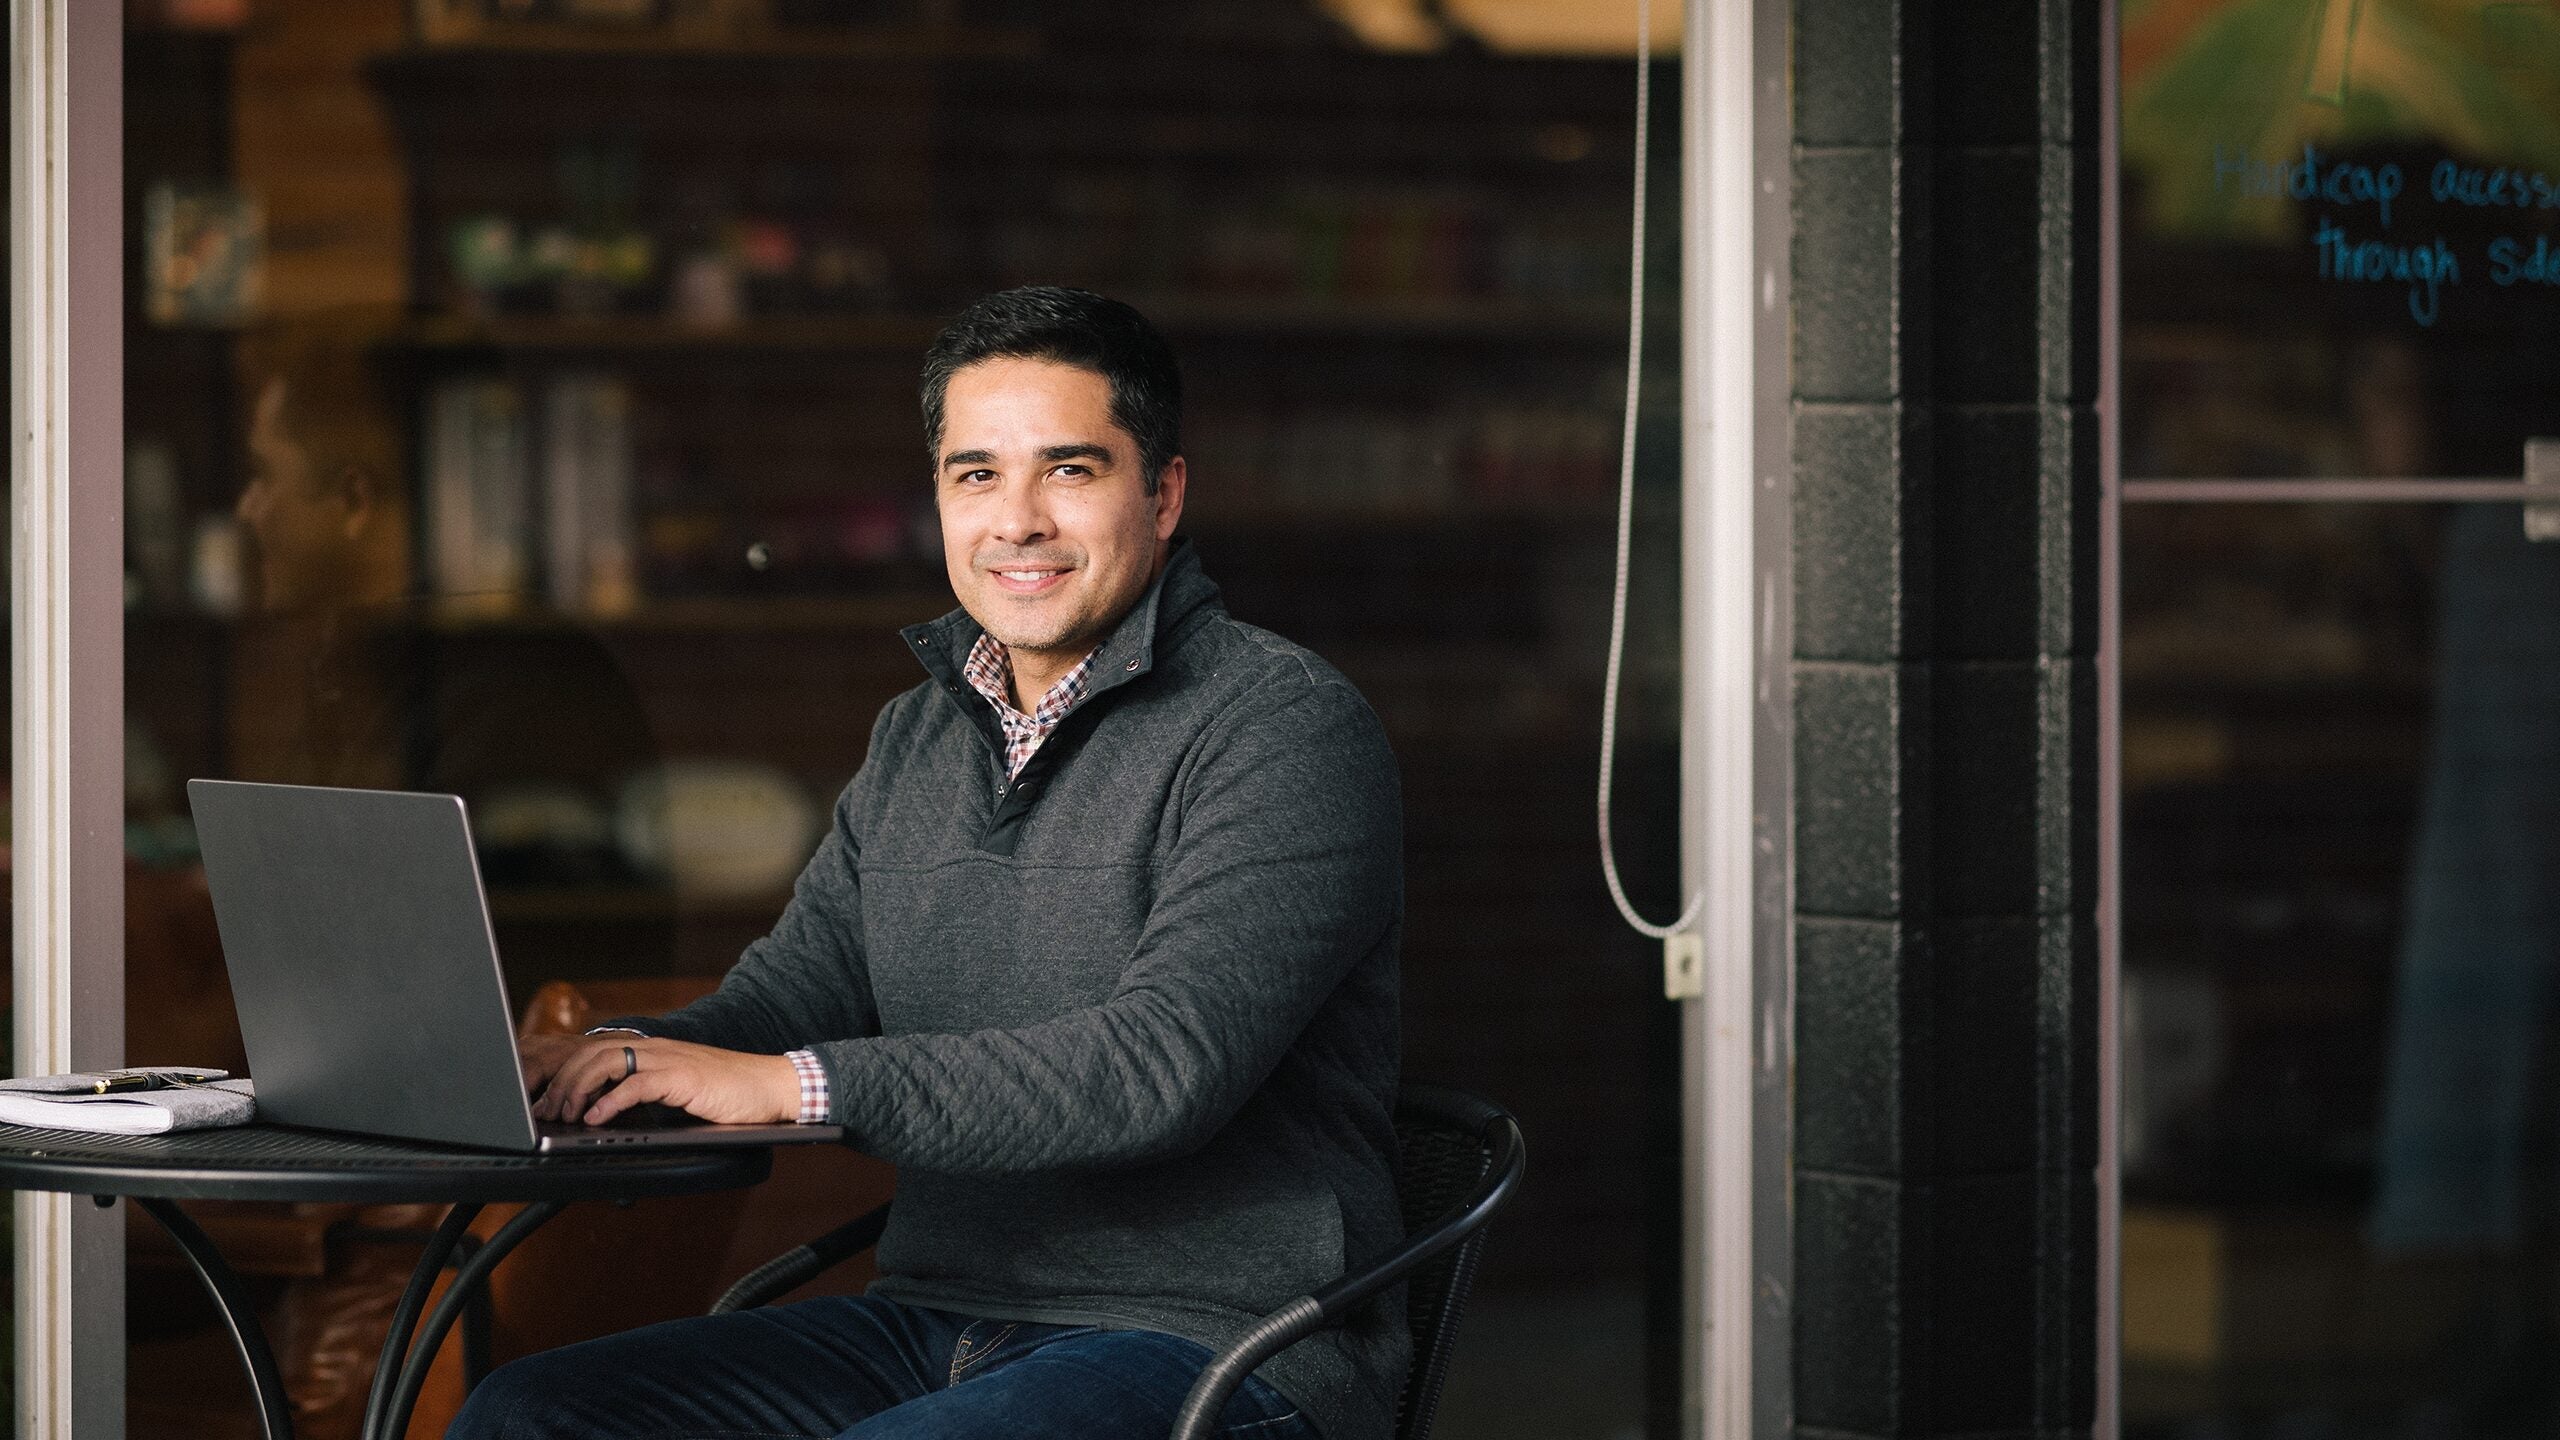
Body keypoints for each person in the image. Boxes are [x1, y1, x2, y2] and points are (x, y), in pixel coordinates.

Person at [453, 287, 1408, 1440]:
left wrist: (800, 1084)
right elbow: (798, 991)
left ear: (1162, 494)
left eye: (1069, 470)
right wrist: (619, 1060)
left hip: (1216, 1343)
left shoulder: (1281, 727)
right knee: (534, 1414)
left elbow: (1164, 1067)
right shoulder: (919, 734)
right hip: (932, 1318)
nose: (1017, 522)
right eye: (975, 475)